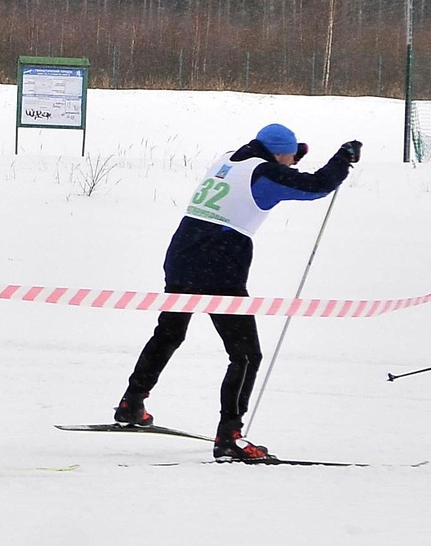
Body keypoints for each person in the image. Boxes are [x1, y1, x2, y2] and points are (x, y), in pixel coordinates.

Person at [112, 124, 359, 461]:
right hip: (219, 266)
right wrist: (342, 160)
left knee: (169, 334)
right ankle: (229, 436)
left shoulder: (230, 159)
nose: (292, 161)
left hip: (182, 255)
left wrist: (293, 154)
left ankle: (131, 403)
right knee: (245, 355)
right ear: (277, 154)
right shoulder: (267, 175)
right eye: (291, 155)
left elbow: (274, 162)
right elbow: (316, 186)